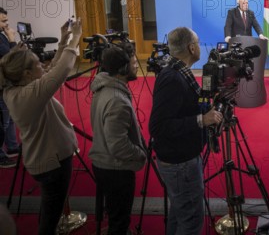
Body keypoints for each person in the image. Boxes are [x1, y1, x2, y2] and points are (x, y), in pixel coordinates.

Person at [0, 18, 82, 235]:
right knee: (49, 218)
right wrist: (76, 40)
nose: (43, 64)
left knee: (49, 209)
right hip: (51, 164)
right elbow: (60, 70)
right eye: (38, 63)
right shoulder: (28, 95)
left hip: (46, 160)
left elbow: (51, 70)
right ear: (27, 73)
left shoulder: (19, 88)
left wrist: (64, 40)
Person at [149, 27, 223, 234]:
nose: (199, 46)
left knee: (179, 214)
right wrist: (202, 119)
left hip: (179, 159)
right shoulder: (172, 78)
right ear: (191, 48)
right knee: (190, 220)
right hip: (179, 163)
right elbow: (158, 127)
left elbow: (184, 106)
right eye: (198, 42)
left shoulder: (179, 70)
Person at [89, 42, 146, 234]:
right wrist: (140, 154)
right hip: (115, 169)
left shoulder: (105, 88)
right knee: (119, 220)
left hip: (105, 164)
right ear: (122, 69)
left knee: (116, 215)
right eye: (133, 62)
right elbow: (118, 145)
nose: (137, 65)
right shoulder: (116, 100)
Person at [0, 7, 19, 168]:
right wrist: (12, 39)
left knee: (10, 117)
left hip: (5, 83)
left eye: (6, 20)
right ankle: (0, 155)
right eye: (3, 21)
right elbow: (10, 59)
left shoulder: (1, 35)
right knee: (3, 122)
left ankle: (12, 146)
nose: (7, 24)